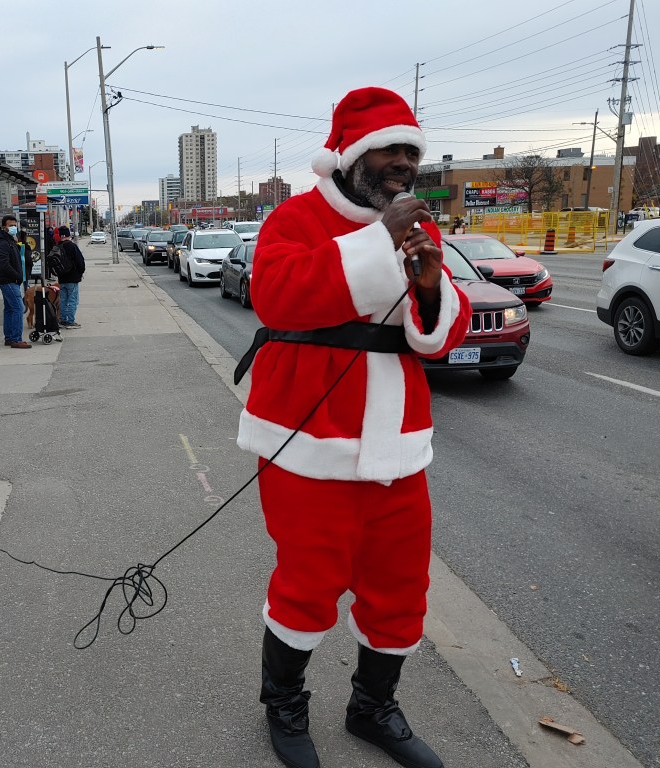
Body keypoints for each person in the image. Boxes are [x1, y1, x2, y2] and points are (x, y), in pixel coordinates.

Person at [236, 87, 471, 768]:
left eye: (411, 153)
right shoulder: (295, 218)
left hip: (399, 448)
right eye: (388, 150)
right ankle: (284, 706)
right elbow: (276, 296)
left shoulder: (418, 227)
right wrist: (380, 240)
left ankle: (373, 708)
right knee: (306, 587)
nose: (403, 163)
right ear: (350, 156)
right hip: (307, 448)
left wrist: (431, 286)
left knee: (400, 590)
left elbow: (442, 333)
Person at [0, 215, 31, 349]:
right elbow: (3, 263)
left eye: (15, 225)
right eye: (10, 225)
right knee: (18, 308)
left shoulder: (10, 241)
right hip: (8, 280)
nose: (13, 228)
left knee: (10, 308)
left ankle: (9, 338)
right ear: (4, 227)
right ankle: (16, 339)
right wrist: (16, 276)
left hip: (9, 279)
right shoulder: (3, 243)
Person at [54, 225, 86, 329]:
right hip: (72, 278)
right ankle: (70, 321)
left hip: (62, 278)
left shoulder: (57, 247)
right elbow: (80, 262)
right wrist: (81, 272)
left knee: (63, 300)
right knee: (72, 300)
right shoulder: (72, 246)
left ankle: (63, 320)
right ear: (68, 235)